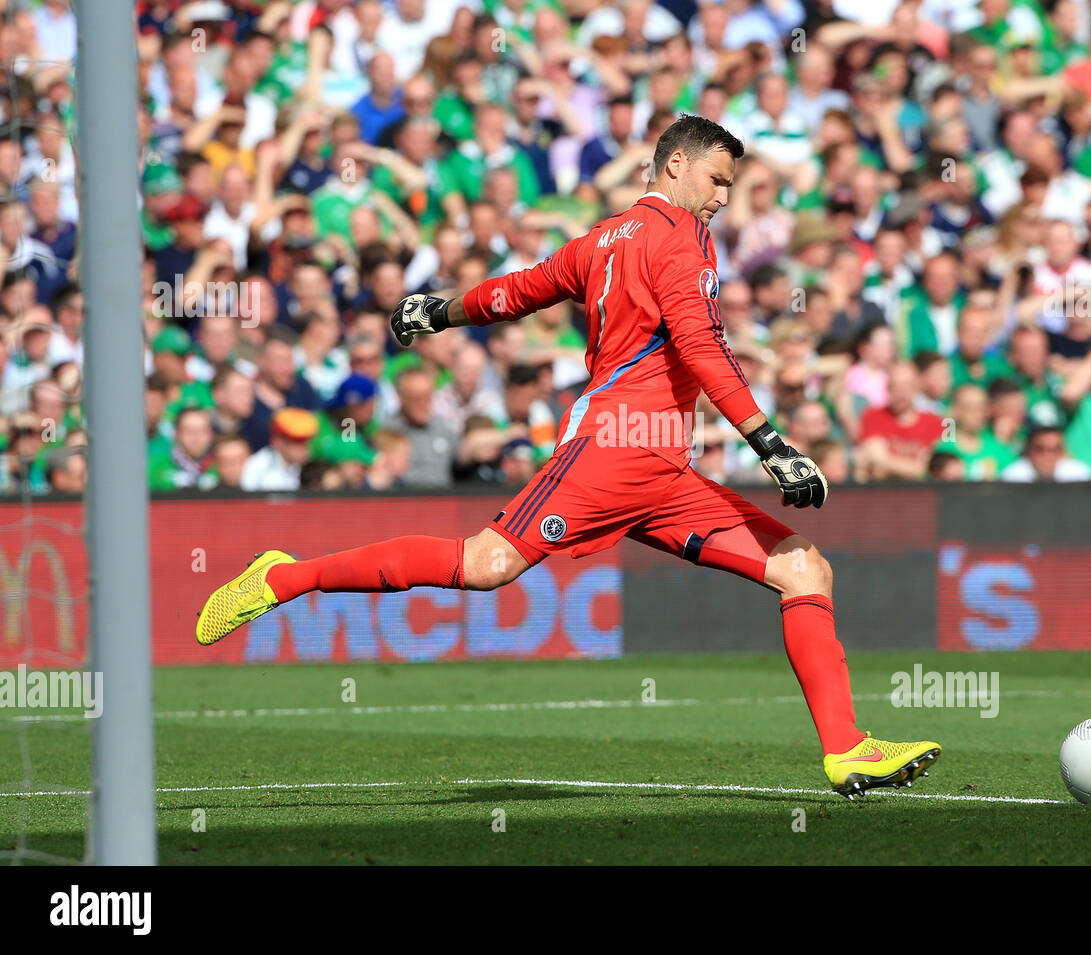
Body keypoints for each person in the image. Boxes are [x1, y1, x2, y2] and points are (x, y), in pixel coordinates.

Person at [196, 115, 940, 798]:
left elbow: (518, 291)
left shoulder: (604, 238)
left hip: (661, 469)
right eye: (716, 178)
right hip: (612, 452)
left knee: (803, 566)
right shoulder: (677, 236)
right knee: (485, 565)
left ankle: (845, 748)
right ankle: (283, 576)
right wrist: (769, 442)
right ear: (674, 165)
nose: (722, 196)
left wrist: (438, 309)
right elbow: (699, 344)